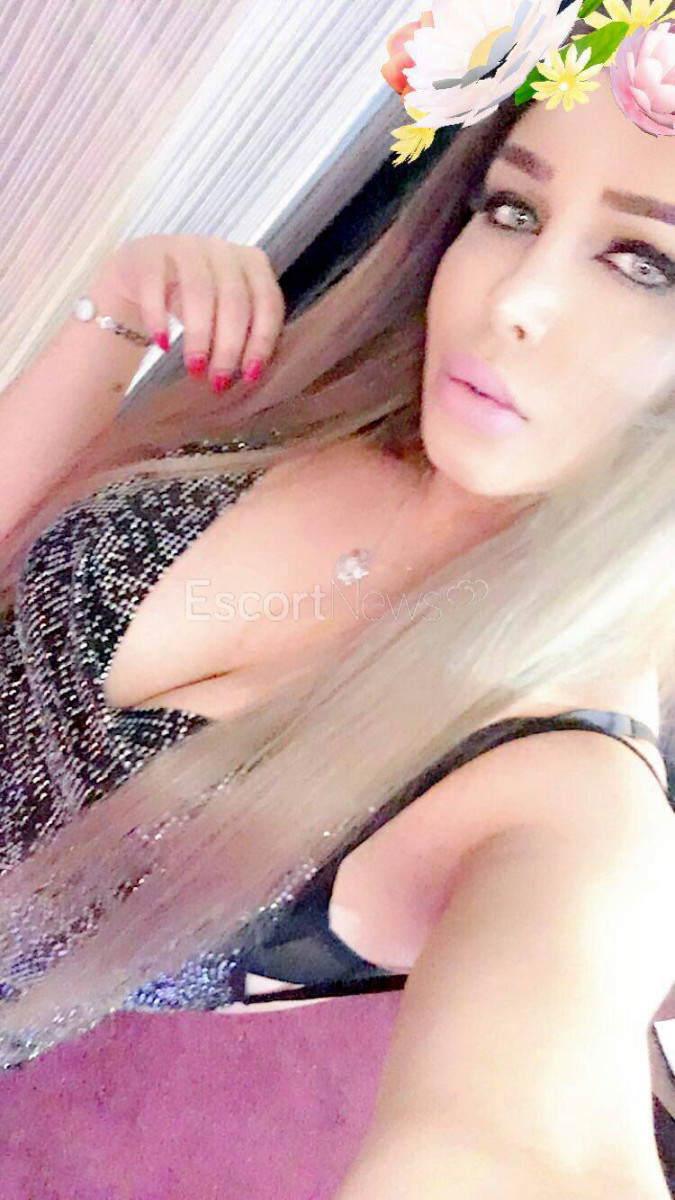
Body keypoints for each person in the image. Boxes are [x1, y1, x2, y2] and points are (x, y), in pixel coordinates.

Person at [0, 56, 674, 1196]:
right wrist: (113, 313)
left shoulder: (567, 797)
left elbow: (521, 1147)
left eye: (645, 263)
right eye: (514, 209)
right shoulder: (329, 404)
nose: (512, 301)